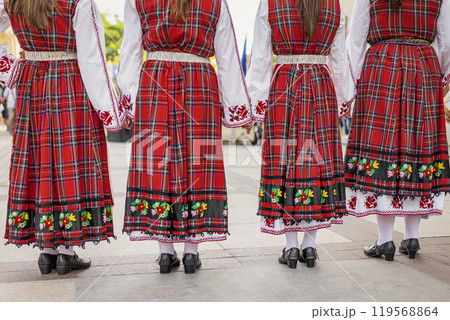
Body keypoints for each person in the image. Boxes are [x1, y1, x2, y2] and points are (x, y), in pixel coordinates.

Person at [117, 0, 252, 274]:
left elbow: (129, 50)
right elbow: (226, 56)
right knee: (198, 163)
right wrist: (238, 108)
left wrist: (128, 101)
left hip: (153, 80)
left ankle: (166, 253)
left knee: (157, 164)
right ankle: (191, 252)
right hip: (199, 80)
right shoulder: (216, 3)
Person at [0, 0, 125, 275]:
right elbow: (93, 61)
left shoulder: (14, 1)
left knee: (40, 162)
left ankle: (46, 252)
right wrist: (111, 112)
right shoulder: (78, 3)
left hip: (32, 83)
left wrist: (10, 68)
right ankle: (66, 253)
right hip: (70, 85)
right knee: (71, 165)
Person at [247, 0, 353, 268]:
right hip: (321, 85)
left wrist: (253, 103)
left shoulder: (270, 3)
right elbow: (339, 60)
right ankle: (310, 247)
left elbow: (260, 57)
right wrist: (345, 100)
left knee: (285, 163)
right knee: (315, 166)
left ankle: (291, 247)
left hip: (284, 86)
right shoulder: (334, 5)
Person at [345, 0, 450, 261]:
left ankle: (385, 241)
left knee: (384, 153)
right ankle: (412, 238)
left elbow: (356, 39)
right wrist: (442, 78)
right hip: (423, 68)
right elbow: (447, 41)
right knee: (417, 152)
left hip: (381, 68)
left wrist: (351, 87)